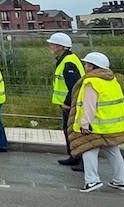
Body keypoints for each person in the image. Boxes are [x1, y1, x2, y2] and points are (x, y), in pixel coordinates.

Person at [69, 51, 124, 192]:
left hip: (96, 125)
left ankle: (92, 181)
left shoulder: (91, 82)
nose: (85, 66)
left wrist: (85, 124)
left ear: (93, 67)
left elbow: (89, 106)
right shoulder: (111, 80)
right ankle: (120, 181)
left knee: (88, 150)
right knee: (114, 152)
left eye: (87, 64)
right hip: (112, 125)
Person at [47, 32, 85, 167]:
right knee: (68, 130)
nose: (50, 46)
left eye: (52, 44)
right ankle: (74, 156)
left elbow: (74, 86)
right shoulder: (65, 59)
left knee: (74, 132)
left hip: (70, 105)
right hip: (68, 104)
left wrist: (67, 103)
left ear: (59, 46)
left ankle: (81, 160)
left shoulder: (68, 63)